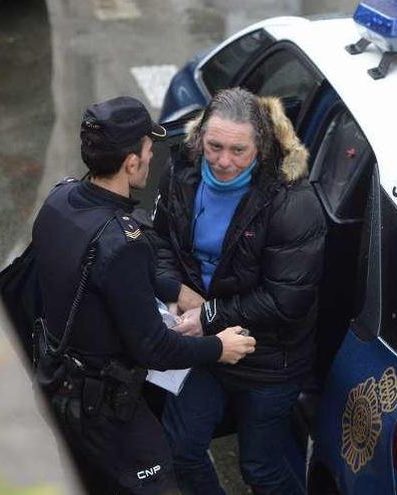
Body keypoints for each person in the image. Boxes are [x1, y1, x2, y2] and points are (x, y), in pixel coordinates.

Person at [31, 96, 257, 494]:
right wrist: (218, 347)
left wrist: (172, 289)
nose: (152, 159)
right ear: (131, 163)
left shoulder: (59, 198)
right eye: (149, 152)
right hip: (104, 408)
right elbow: (155, 348)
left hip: (57, 380)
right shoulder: (123, 241)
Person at [151, 87, 327, 494]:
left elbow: (288, 300)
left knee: (261, 468)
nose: (224, 161)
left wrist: (210, 315)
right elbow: (157, 240)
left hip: (268, 357)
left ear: (260, 147)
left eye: (238, 150)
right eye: (214, 146)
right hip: (202, 345)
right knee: (181, 449)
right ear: (199, 140)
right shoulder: (181, 170)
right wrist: (173, 287)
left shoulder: (292, 202)